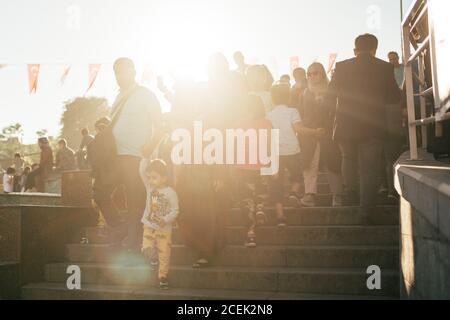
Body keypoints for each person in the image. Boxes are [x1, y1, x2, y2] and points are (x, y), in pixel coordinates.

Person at [177, 53, 243, 268]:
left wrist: (221, 172)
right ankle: (207, 247)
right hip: (196, 161)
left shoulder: (227, 98)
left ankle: (208, 250)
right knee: (202, 206)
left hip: (215, 160)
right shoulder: (201, 101)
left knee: (212, 206)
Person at [327, 34, 401, 222]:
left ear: (355, 50)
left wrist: (331, 120)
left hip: (345, 125)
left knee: (348, 158)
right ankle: (366, 211)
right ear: (375, 50)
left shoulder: (342, 66)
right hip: (373, 126)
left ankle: (351, 192)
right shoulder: (385, 67)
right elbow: (394, 97)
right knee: (370, 169)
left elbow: (330, 96)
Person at [93, 57, 163, 252]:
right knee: (99, 192)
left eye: (124, 71)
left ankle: (132, 243)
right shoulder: (118, 96)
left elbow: (160, 127)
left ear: (133, 71)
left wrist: (150, 147)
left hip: (136, 157)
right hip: (114, 157)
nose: (119, 75)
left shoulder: (146, 95)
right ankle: (119, 227)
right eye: (116, 72)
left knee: (135, 202)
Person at [266, 83, 324, 226]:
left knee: (276, 184)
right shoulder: (293, 111)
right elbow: (299, 129)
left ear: (273, 98)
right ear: (289, 97)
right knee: (298, 175)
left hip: (274, 153)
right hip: (292, 150)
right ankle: (293, 193)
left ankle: (280, 217)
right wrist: (315, 132)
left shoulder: (268, 115)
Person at [298, 63, 343, 207]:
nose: (311, 76)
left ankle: (337, 197)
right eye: (309, 74)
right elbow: (301, 114)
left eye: (315, 73)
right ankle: (309, 196)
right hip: (310, 134)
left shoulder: (332, 91)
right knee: (310, 165)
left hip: (328, 133)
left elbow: (337, 112)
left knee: (332, 166)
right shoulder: (304, 93)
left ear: (322, 73)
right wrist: (310, 129)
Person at [235, 95, 273, 247]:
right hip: (262, 166)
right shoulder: (266, 123)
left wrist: (235, 167)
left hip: (244, 168)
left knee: (247, 201)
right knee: (261, 194)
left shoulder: (238, 125)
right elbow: (271, 146)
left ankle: (250, 234)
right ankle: (260, 208)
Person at [140, 159, 179, 290]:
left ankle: (163, 277)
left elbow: (175, 210)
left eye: (154, 178)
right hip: (149, 226)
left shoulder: (170, 193)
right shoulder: (149, 188)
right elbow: (142, 170)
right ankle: (152, 257)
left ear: (164, 178)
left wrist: (166, 219)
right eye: (149, 178)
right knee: (147, 248)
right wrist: (146, 156)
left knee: (164, 253)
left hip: (164, 229)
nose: (151, 181)